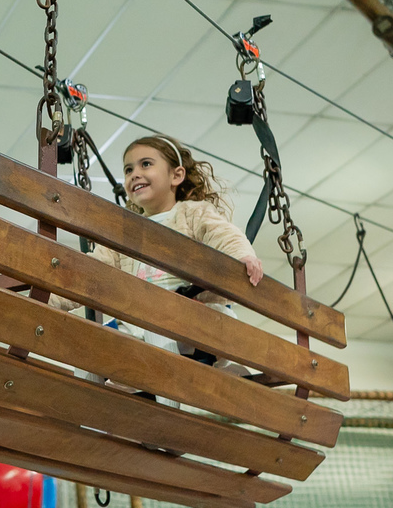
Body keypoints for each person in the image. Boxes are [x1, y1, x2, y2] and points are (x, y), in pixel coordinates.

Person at [54, 134, 263, 381]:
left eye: (146, 164)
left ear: (176, 176)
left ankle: (172, 399)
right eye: (128, 169)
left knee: (159, 318)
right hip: (143, 327)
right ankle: (93, 409)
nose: (134, 174)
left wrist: (242, 256)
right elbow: (88, 274)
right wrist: (47, 297)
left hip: (197, 318)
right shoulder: (126, 232)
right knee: (90, 339)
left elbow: (223, 234)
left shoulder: (192, 213)